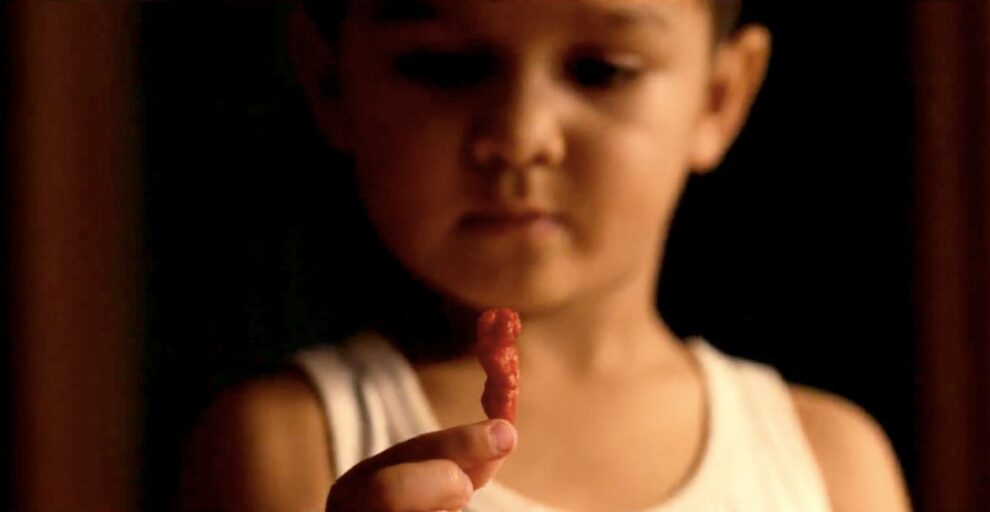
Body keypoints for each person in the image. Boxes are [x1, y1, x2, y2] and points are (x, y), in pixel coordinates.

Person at [178, 0, 912, 510]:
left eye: (601, 70)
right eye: (444, 64)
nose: (522, 133)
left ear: (720, 95)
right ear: (329, 78)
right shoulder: (289, 445)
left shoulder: (830, 463)